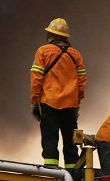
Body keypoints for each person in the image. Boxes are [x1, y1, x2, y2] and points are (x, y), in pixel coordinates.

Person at [30, 17, 87, 168]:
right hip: (70, 104)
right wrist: (77, 103)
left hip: (49, 102)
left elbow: (36, 78)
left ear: (52, 35)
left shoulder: (43, 51)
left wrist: (35, 101)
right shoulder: (76, 55)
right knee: (70, 142)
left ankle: (51, 170)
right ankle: (72, 175)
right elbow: (82, 83)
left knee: (50, 139)